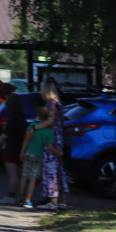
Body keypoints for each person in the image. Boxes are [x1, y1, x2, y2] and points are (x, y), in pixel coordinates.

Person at [33, 80, 70, 210]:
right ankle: (62, 202)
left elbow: (49, 122)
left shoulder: (52, 104)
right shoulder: (59, 104)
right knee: (60, 170)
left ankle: (53, 202)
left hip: (51, 140)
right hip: (59, 140)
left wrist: (35, 127)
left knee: (50, 170)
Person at [18, 106, 61, 209]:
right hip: (38, 155)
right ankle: (28, 200)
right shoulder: (49, 132)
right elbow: (49, 147)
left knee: (24, 176)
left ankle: (21, 198)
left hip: (28, 152)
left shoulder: (32, 125)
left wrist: (22, 152)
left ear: (38, 116)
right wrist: (59, 153)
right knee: (32, 179)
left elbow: (26, 139)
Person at [0, 92, 27, 204]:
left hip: (10, 148)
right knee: (17, 173)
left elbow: (5, 135)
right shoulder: (22, 118)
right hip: (19, 148)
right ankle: (19, 195)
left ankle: (11, 195)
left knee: (12, 174)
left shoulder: (12, 119)